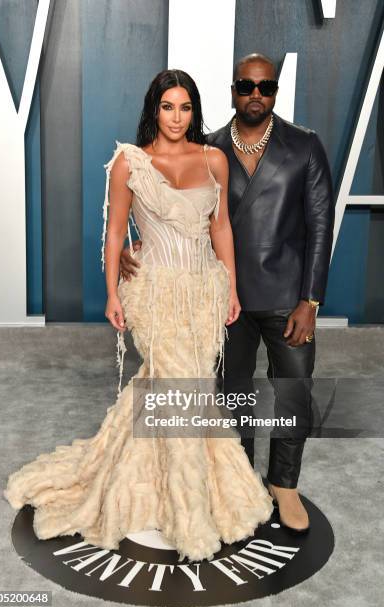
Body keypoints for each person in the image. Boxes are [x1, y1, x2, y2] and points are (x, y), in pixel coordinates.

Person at [3, 69, 273, 563]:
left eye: (185, 107)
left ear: (194, 111)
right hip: (152, 292)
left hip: (203, 291)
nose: (176, 117)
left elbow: (222, 228)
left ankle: (140, 480)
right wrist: (111, 294)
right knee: (181, 385)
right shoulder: (130, 162)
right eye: (167, 106)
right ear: (154, 109)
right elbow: (114, 233)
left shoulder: (213, 158)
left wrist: (231, 287)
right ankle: (191, 517)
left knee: (181, 389)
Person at [121, 55, 335, 534]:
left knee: (293, 391)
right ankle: (235, 478)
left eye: (265, 86)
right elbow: (188, 215)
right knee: (229, 394)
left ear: (275, 91)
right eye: (246, 85)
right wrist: (137, 244)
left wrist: (312, 299)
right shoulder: (207, 146)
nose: (255, 93)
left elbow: (321, 226)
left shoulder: (304, 146)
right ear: (233, 90)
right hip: (223, 296)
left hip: (287, 297)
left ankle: (284, 484)